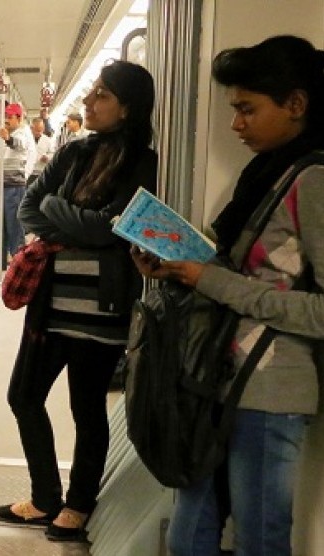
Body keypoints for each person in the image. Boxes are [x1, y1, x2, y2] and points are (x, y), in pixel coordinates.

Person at [132, 35, 324, 556]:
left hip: (270, 388)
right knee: (191, 529)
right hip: (215, 374)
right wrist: (174, 267)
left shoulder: (314, 181)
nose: (236, 124)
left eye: (247, 109)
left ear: (297, 104)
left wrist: (207, 279)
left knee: (260, 536)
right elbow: (240, 266)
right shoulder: (265, 173)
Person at [0, 60, 157, 542]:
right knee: (23, 397)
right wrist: (82, 222)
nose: (89, 102)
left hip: (102, 309)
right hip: (51, 304)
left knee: (87, 410)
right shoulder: (72, 153)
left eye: (101, 95)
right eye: (91, 93)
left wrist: (59, 211)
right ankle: (45, 496)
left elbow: (113, 228)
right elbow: (29, 206)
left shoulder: (143, 164)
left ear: (128, 107)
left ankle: (80, 502)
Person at [0, 102, 37, 268]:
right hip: (4, 182)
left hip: (14, 184)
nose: (7, 120)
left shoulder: (22, 133)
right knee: (4, 222)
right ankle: (6, 255)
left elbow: (19, 144)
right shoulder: (12, 132)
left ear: (19, 118)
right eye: (5, 116)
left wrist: (8, 138)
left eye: (9, 117)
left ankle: (18, 259)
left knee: (14, 223)